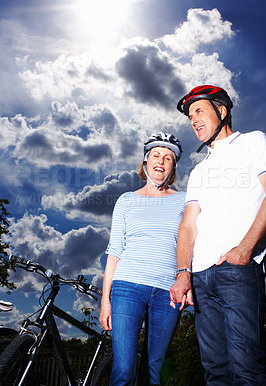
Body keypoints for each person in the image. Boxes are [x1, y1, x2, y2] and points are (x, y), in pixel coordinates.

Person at [170, 85, 266, 385]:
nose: (192, 119)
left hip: (237, 271)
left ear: (221, 111)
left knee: (246, 368)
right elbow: (188, 225)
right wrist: (183, 273)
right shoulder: (199, 171)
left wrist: (244, 249)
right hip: (200, 279)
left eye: (199, 110)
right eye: (189, 115)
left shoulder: (253, 142)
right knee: (216, 372)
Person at [100, 132, 185, 386]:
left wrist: (186, 279)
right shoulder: (126, 201)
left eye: (168, 158)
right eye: (156, 155)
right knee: (124, 369)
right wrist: (105, 301)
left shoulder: (184, 200)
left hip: (166, 292)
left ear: (172, 168)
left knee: (153, 372)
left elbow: (189, 244)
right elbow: (114, 251)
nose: (161, 160)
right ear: (146, 162)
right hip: (127, 288)